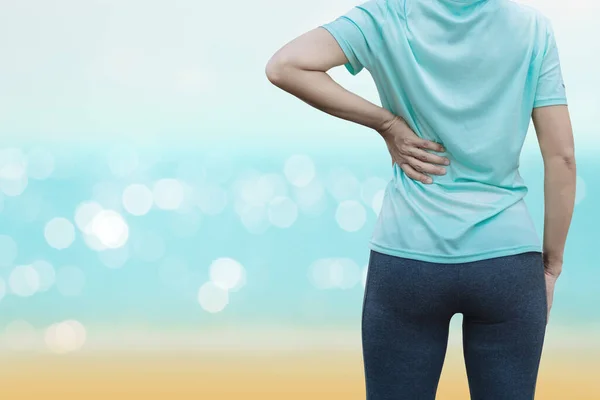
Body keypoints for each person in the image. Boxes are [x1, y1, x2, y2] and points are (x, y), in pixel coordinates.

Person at [265, 0, 576, 398]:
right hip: (507, 261)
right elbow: (562, 157)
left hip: (408, 260)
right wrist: (551, 265)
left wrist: (387, 123)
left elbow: (285, 66)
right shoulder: (533, 29)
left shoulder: (385, 16)